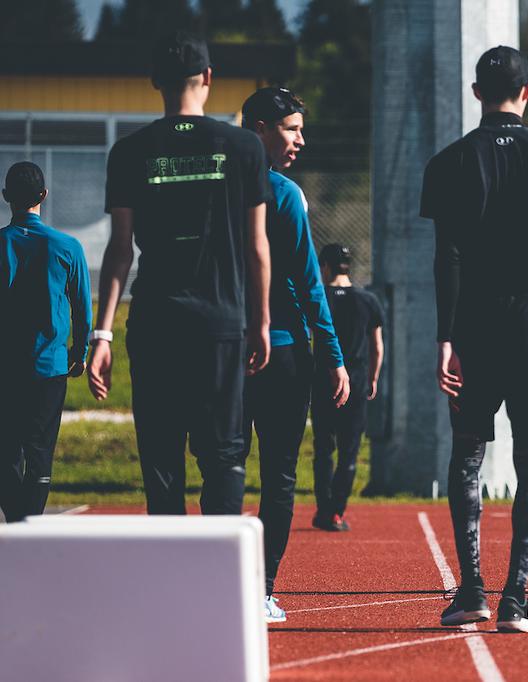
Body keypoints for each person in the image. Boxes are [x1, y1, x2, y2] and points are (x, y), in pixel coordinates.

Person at [420, 46, 528, 633]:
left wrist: (446, 335)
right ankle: (517, 599)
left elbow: (448, 257)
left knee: (468, 454)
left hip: (473, 334)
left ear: (475, 94)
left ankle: (471, 591)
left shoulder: (450, 162)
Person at [88, 32, 272, 522]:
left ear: (155, 83)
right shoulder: (244, 147)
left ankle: (170, 590)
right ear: (208, 78)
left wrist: (102, 332)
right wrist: (261, 322)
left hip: (156, 323)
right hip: (220, 322)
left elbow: (119, 249)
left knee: (161, 460)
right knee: (224, 455)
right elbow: (258, 246)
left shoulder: (129, 153)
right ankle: (219, 581)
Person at [239, 87, 350, 623]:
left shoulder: (214, 187)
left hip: (222, 351)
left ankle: (220, 586)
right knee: (278, 475)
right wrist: (333, 354)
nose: (301, 139)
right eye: (291, 128)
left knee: (225, 470)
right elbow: (310, 283)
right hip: (281, 351)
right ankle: (260, 590)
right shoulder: (283, 194)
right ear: (259, 127)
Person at [0, 162, 91, 522]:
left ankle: (17, 521)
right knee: (39, 453)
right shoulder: (67, 247)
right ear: (44, 195)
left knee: (5, 454)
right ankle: (29, 527)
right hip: (48, 367)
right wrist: (80, 353)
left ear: (6, 197)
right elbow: (83, 310)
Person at [310, 244, 384, 532]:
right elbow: (377, 346)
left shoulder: (319, 297)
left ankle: (323, 508)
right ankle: (336, 512)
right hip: (355, 381)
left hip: (323, 380)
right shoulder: (368, 300)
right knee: (349, 451)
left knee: (323, 447)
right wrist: (373, 377)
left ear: (325, 265)